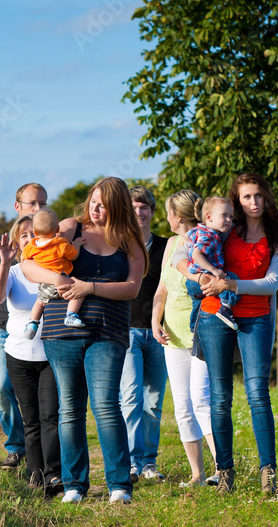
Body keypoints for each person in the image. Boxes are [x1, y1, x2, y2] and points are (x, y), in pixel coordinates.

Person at [22, 177, 147, 505]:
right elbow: (28, 263)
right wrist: (59, 279)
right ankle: (74, 485)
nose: (95, 208)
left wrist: (89, 288)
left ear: (117, 206)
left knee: (106, 405)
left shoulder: (130, 240)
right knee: (70, 410)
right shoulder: (69, 228)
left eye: (103, 203)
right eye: (93, 201)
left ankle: (119, 485)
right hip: (61, 332)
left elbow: (133, 287)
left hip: (109, 331)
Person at [191, 173, 278, 496]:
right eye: (246, 197)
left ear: (266, 198)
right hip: (215, 315)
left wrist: (230, 284)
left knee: (258, 393)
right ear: (237, 200)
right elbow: (186, 250)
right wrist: (194, 273)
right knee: (220, 397)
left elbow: (272, 284)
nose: (253, 202)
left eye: (258, 196)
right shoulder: (227, 228)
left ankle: (268, 473)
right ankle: (225, 472)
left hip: (256, 318)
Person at [0, 183, 48, 469]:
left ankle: (42, 450)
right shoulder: (2, 244)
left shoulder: (51, 242)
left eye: (42, 203)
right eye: (32, 203)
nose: (38, 209)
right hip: (5, 329)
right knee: (1, 387)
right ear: (18, 206)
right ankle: (17, 445)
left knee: (43, 397)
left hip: (43, 330)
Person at [0, 215, 62, 495]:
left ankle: (55, 476)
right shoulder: (14, 272)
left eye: (35, 234)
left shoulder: (57, 269)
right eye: (24, 236)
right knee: (30, 419)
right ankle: (36, 476)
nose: (31, 239)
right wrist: (5, 263)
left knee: (50, 417)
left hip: (51, 354)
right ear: (17, 244)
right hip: (18, 355)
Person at [152, 190, 219, 487]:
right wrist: (155, 320)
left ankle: (222, 469)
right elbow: (162, 288)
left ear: (176, 217)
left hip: (201, 332)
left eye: (167, 213)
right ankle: (197, 473)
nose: (165, 218)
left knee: (202, 400)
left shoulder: (205, 240)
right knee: (182, 406)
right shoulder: (171, 244)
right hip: (173, 336)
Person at [120, 186, 168, 482]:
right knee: (130, 397)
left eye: (144, 207)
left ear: (152, 211)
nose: (139, 212)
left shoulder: (167, 246)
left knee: (153, 400)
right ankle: (130, 461)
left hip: (160, 332)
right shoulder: (117, 245)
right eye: (134, 207)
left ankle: (148, 462)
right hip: (126, 330)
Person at [21, 210, 86, 335]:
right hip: (63, 282)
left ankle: (32, 322)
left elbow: (24, 258)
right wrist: (77, 244)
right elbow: (73, 256)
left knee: (40, 301)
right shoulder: (60, 244)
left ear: (34, 232)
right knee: (79, 293)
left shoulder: (31, 247)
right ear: (57, 229)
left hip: (44, 284)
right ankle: (71, 315)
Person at [185, 196, 239, 330]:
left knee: (197, 305)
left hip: (192, 282)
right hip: (203, 278)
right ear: (209, 217)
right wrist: (213, 269)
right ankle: (225, 308)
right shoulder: (209, 236)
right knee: (232, 279)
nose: (229, 220)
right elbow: (196, 254)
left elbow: (188, 237)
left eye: (231, 217)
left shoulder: (200, 230)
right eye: (224, 216)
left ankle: (194, 329)